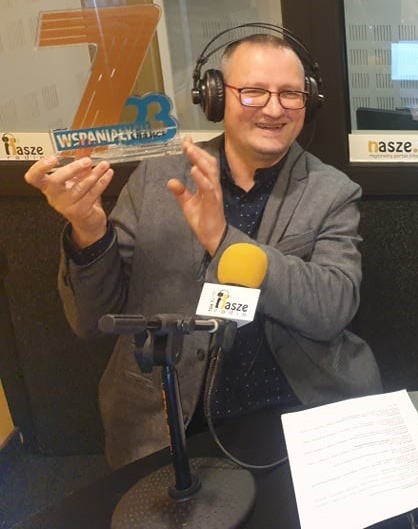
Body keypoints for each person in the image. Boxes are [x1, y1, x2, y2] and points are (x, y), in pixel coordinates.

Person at [24, 33, 381, 469]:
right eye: (254, 91)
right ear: (214, 97)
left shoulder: (332, 192)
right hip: (167, 419)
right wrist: (90, 230)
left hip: (292, 410)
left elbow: (331, 308)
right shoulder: (157, 180)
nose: (274, 109)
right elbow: (91, 319)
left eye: (290, 93)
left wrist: (222, 241)